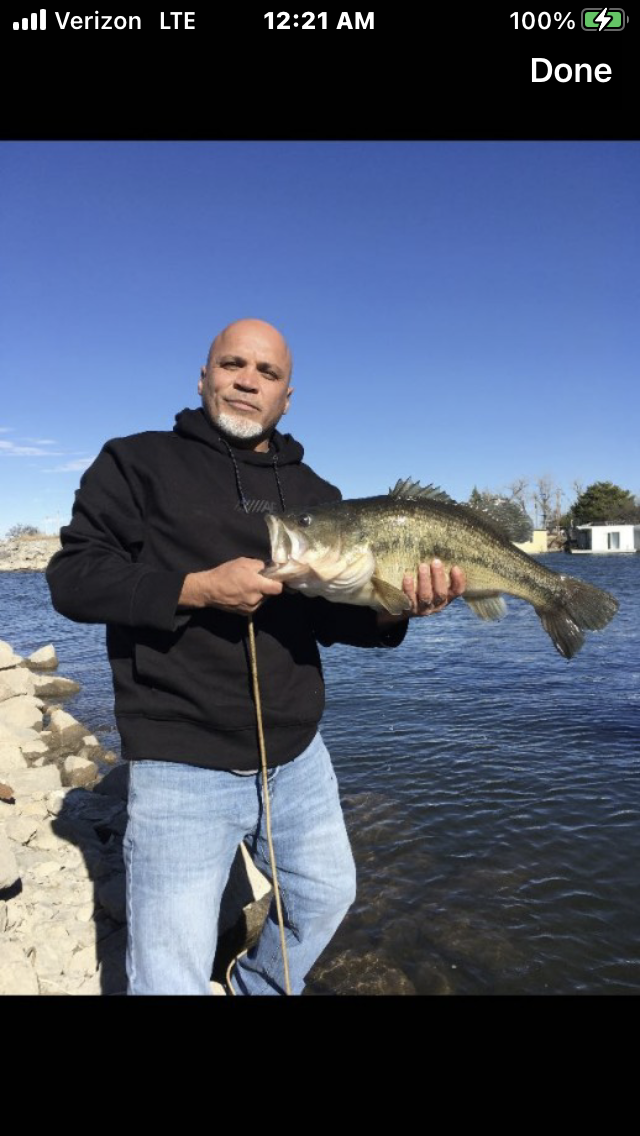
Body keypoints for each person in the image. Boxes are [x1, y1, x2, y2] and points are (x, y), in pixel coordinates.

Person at [46, 318, 466, 995]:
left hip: (297, 757)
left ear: (286, 397)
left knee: (325, 894)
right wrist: (195, 589)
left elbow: (330, 620)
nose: (248, 381)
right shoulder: (135, 462)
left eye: (267, 373)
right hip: (179, 761)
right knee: (169, 970)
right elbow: (73, 580)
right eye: (232, 365)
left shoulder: (318, 493)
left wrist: (398, 610)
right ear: (204, 377)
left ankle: (258, 987)